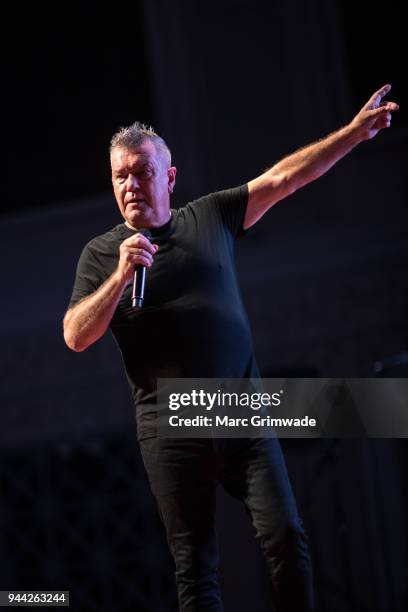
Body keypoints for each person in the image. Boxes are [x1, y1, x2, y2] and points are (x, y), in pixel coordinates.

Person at [63, 84, 398, 612]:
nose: (130, 184)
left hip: (240, 406)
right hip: (167, 423)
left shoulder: (210, 217)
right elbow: (76, 335)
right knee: (196, 570)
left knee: (287, 535)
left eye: (142, 172)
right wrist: (121, 276)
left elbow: (286, 178)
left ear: (169, 178)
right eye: (120, 176)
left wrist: (354, 135)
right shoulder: (102, 254)